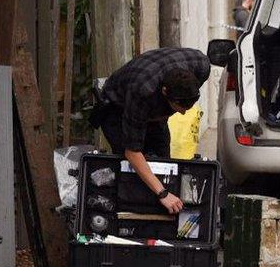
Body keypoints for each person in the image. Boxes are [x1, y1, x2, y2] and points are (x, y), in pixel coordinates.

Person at [90, 47, 210, 214]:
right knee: (130, 172)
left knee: (163, 162)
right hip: (117, 108)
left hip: (154, 100)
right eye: (178, 108)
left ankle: (162, 221)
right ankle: (130, 216)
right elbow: (132, 152)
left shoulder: (201, 65)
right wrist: (163, 193)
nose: (183, 113)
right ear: (165, 92)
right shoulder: (142, 91)